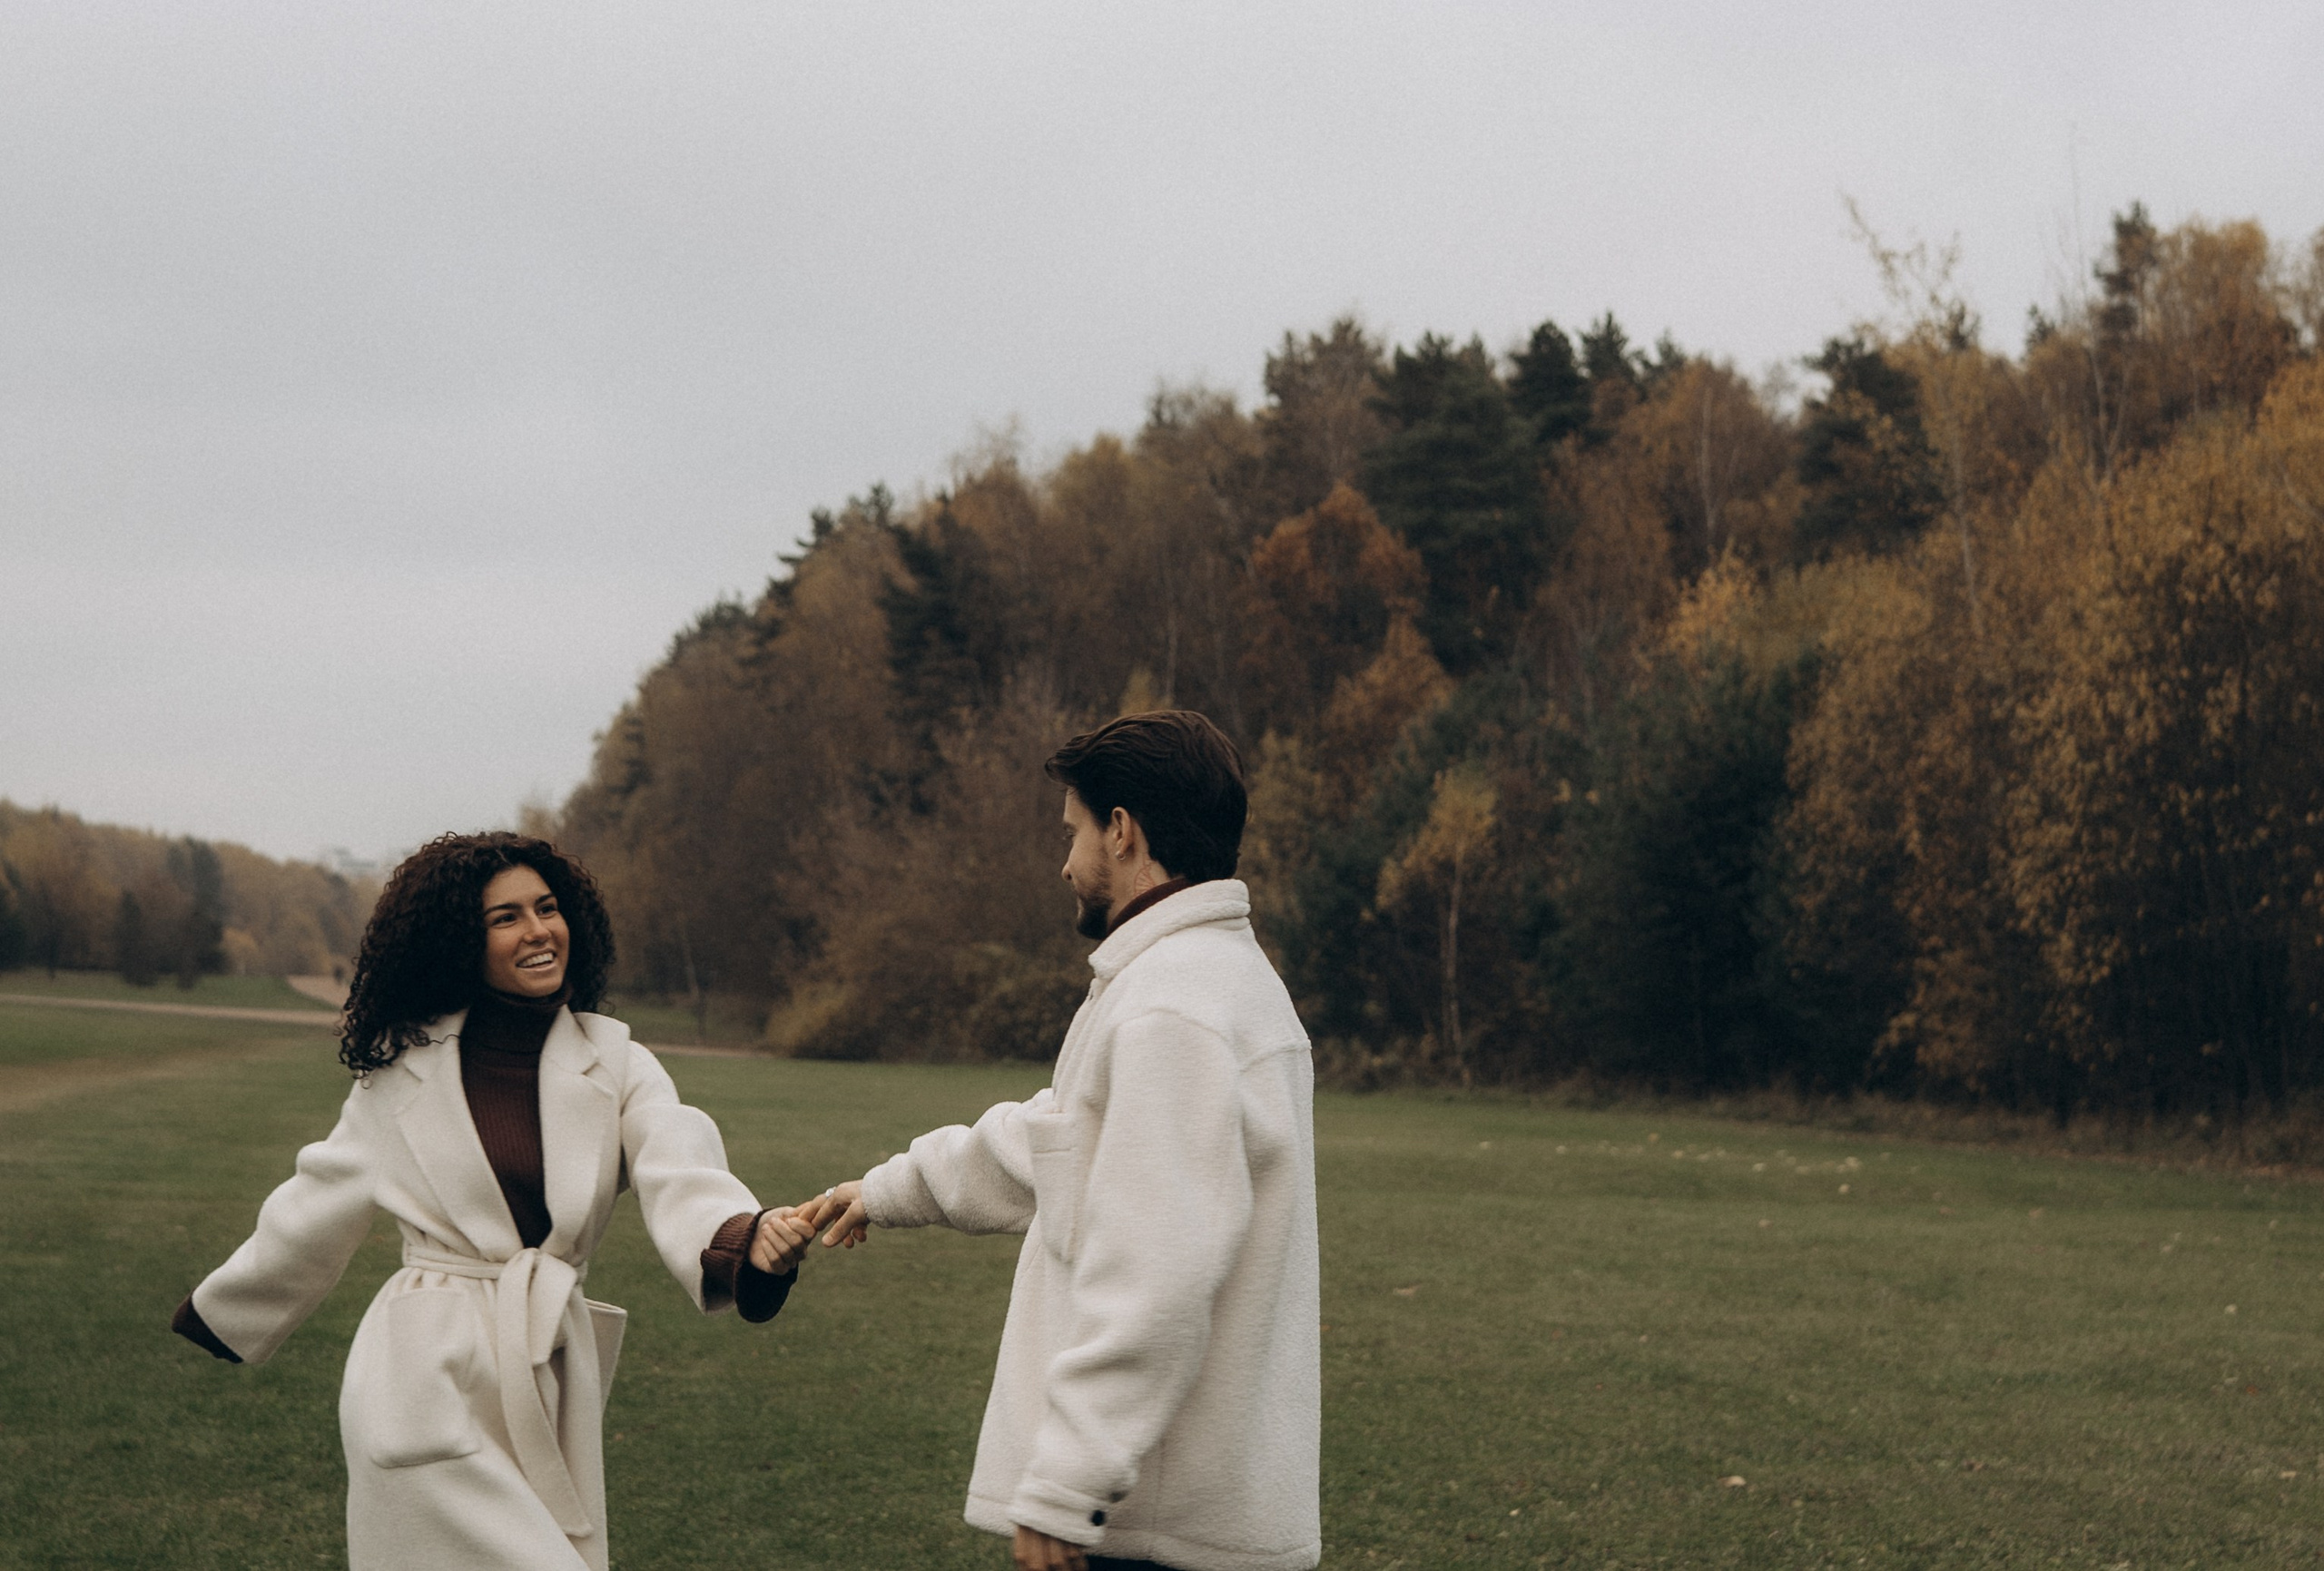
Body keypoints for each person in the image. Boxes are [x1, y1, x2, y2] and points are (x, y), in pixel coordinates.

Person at [172, 831, 815, 1571]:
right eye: (505, 917)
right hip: (422, 1372)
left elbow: (679, 1157)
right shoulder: (401, 1068)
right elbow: (320, 1200)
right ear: (458, 942)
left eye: (547, 908)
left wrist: (741, 1235)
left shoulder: (619, 1062)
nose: (538, 931)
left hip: (549, 1364)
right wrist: (226, 1308)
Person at [801, 710, 1321, 1571]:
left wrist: (1069, 1478)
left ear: (1123, 832)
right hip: (1161, 1515)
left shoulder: (1173, 1008)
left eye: (1073, 830)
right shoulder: (1198, 979)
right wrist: (890, 1189)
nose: (1065, 860)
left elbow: (1159, 1264)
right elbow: (1056, 1141)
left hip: (1148, 1526)